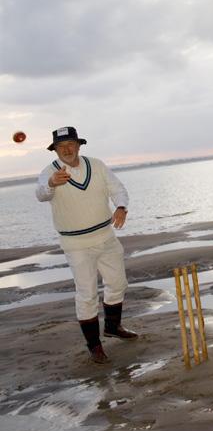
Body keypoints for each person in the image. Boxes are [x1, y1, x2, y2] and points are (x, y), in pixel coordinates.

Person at [35, 126, 138, 364]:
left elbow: (118, 189)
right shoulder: (49, 172)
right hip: (75, 243)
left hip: (106, 236)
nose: (67, 150)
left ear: (79, 145)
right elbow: (41, 194)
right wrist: (51, 183)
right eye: (61, 147)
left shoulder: (97, 165)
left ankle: (113, 327)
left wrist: (121, 207)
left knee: (118, 283)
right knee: (87, 293)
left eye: (71, 144)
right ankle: (95, 347)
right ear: (55, 150)